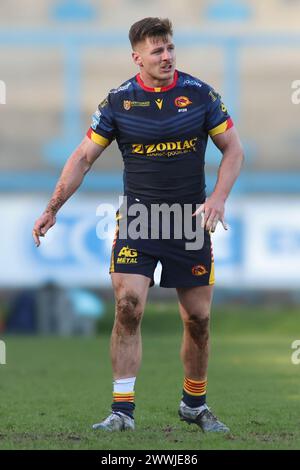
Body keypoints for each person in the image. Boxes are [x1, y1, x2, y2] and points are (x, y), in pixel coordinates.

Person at [33, 17, 244, 433]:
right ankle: (122, 410)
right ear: (137, 58)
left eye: (170, 48)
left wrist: (217, 198)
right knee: (128, 307)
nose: (166, 56)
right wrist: (53, 206)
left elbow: (233, 150)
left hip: (189, 222)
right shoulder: (119, 102)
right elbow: (82, 158)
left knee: (198, 320)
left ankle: (194, 404)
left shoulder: (200, 96)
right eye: (157, 51)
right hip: (139, 220)